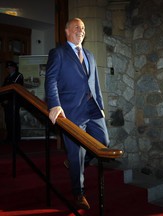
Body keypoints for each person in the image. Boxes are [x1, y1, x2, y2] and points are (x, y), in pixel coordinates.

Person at [45, 17, 110, 210]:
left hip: (92, 108)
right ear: (67, 31)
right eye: (76, 27)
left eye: (83, 28)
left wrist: (101, 105)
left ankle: (77, 162)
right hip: (71, 111)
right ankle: (78, 192)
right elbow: (51, 80)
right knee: (76, 153)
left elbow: (95, 83)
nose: (80, 30)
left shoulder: (89, 54)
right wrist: (55, 105)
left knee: (103, 142)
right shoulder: (58, 53)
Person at [1, 61, 24, 143]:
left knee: (14, 120)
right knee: (8, 120)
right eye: (7, 68)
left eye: (10, 67)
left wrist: (8, 99)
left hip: (14, 102)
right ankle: (10, 137)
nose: (8, 69)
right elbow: (4, 89)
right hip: (6, 103)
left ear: (14, 67)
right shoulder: (7, 78)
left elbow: (15, 88)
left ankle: (16, 138)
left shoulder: (18, 76)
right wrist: (3, 100)